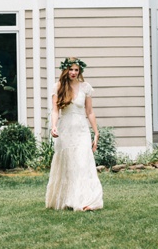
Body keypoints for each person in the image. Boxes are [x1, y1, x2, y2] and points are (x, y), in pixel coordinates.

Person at [45, 57, 104, 211]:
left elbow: (89, 112)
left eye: (76, 70)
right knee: (69, 164)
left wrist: (96, 133)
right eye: (71, 69)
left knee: (82, 162)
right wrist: (53, 127)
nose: (73, 72)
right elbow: (55, 110)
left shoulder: (86, 87)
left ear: (80, 71)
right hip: (65, 130)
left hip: (82, 130)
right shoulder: (58, 87)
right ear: (66, 70)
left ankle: (86, 200)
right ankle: (68, 199)